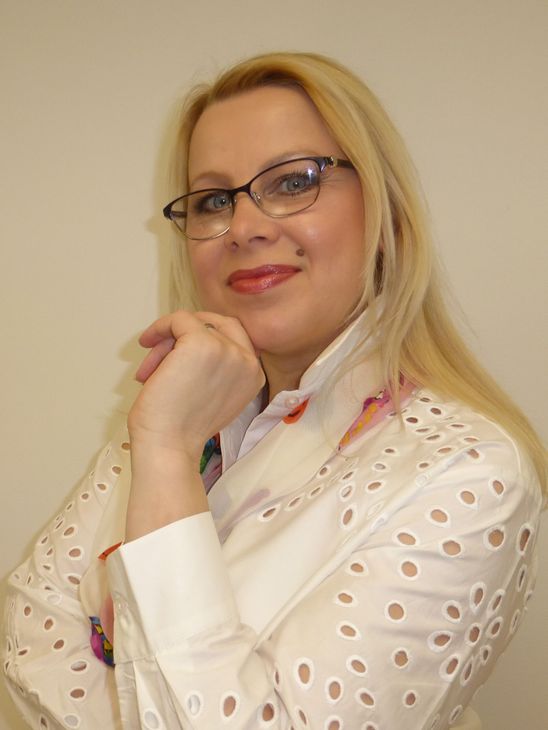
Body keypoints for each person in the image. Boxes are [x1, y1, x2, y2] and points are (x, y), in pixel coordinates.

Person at [3, 52, 545, 730]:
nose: (246, 226)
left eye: (292, 182)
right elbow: (30, 636)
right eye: (213, 200)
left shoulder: (466, 470)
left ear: (386, 212)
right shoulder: (175, 418)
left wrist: (166, 456)